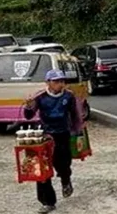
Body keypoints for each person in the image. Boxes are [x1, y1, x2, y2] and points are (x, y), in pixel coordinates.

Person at [24, 70, 84, 213]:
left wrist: (78, 132)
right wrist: (28, 105)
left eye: (62, 81)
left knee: (63, 164)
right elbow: (28, 116)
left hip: (63, 134)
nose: (60, 84)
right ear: (48, 82)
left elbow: (75, 115)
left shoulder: (69, 96)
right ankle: (48, 201)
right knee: (41, 168)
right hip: (45, 136)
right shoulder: (40, 97)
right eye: (56, 81)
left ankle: (65, 180)